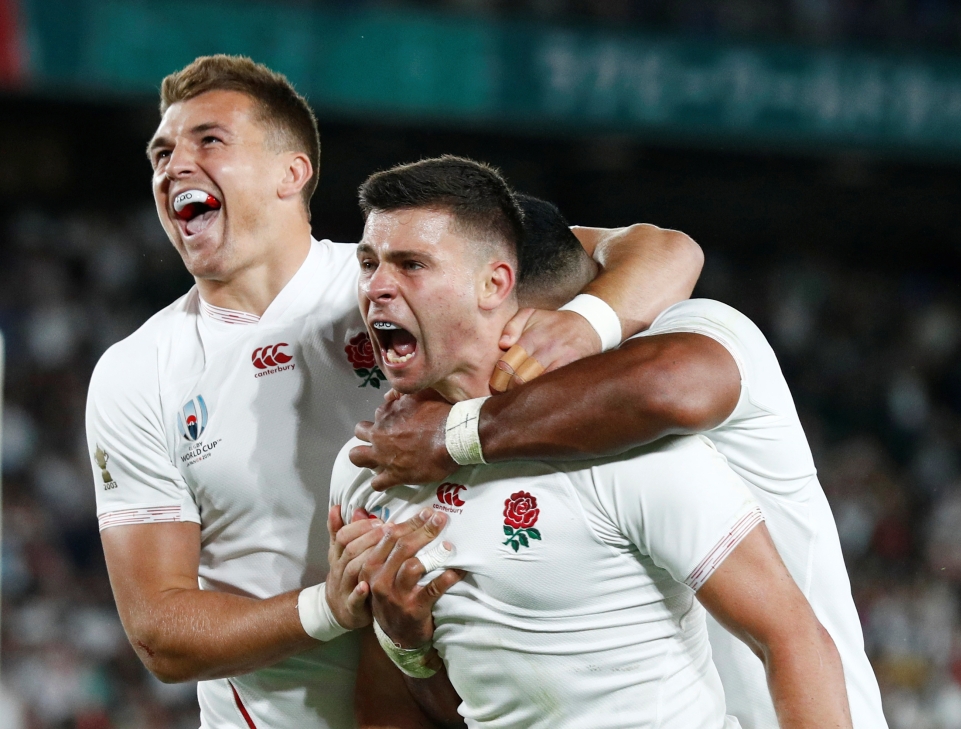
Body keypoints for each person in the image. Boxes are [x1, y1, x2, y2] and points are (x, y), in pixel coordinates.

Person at [83, 55, 705, 728]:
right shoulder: (137, 372)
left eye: (209, 141)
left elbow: (665, 250)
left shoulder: (405, 273)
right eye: (161, 152)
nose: (174, 165)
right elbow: (161, 634)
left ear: (292, 172)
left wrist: (585, 323)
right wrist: (330, 607)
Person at [331, 156, 852, 728]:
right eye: (369, 263)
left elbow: (665, 381)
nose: (378, 287)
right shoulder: (379, 463)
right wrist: (407, 644)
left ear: (501, 290)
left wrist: (584, 326)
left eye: (413, 265)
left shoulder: (650, 400)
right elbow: (461, 706)